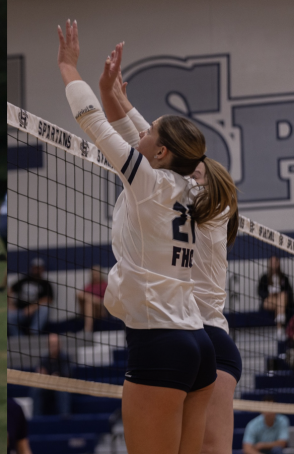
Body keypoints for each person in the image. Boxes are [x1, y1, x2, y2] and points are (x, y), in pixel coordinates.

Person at [57, 19, 236, 454]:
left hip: (161, 340)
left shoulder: (148, 183)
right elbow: (154, 140)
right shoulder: (195, 191)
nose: (141, 134)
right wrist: (116, 95)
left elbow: (94, 124)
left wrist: (68, 67)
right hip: (197, 341)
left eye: (150, 132)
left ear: (161, 153)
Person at [109, 69, 242, 454]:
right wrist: (122, 103)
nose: (185, 171)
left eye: (194, 170)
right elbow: (155, 144)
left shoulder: (203, 206)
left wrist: (116, 105)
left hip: (203, 336)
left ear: (203, 181)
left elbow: (162, 154)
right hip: (201, 336)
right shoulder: (195, 202)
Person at [29, 333, 72, 417]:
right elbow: (39, 372)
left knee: (63, 390)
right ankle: (36, 418)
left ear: (60, 345)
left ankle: (65, 417)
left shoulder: (65, 358)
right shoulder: (44, 359)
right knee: (35, 389)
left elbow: (67, 374)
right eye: (52, 345)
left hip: (60, 386)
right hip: (47, 387)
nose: (53, 347)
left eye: (55, 345)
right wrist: (40, 374)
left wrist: (57, 376)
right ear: (48, 345)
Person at [7, 258, 53, 336]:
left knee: (45, 309)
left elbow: (48, 299)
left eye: (39, 268)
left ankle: (33, 333)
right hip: (20, 312)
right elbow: (9, 290)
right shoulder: (24, 280)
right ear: (32, 268)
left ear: (42, 269)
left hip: (35, 313)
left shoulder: (46, 284)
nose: (36, 270)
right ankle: (19, 338)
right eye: (35, 268)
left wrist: (32, 307)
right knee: (8, 316)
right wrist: (10, 305)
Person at [258, 255, 294, 340]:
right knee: (279, 300)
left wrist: (279, 294)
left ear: (279, 263)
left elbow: (289, 293)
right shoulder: (265, 278)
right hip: (269, 301)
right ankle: (281, 321)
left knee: (282, 296)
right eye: (272, 262)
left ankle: (279, 328)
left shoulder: (283, 278)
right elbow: (260, 292)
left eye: (276, 262)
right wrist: (269, 294)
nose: (274, 264)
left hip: (281, 301)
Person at [76, 265, 108, 332]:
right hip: (89, 310)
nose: (95, 275)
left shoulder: (105, 285)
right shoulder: (89, 286)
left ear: (100, 274)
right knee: (88, 302)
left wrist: (91, 299)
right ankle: (88, 329)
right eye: (93, 274)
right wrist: (92, 299)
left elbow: (105, 301)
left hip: (101, 309)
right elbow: (79, 294)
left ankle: (87, 329)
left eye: (96, 273)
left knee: (89, 301)